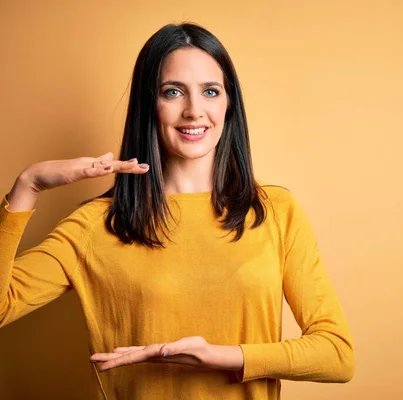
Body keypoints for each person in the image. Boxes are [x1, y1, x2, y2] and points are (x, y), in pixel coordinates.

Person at [0, 23, 354, 399]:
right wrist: (28, 186)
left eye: (210, 92)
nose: (194, 111)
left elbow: (336, 354)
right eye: (173, 92)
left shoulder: (274, 211)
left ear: (228, 104)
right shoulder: (95, 226)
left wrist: (221, 357)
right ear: (149, 104)